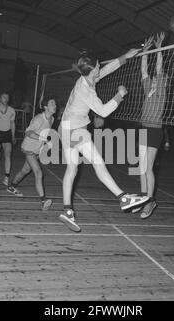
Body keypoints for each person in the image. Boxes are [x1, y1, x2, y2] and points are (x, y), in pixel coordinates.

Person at [58, 48, 150, 233]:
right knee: (98, 163)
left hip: (65, 128)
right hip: (75, 129)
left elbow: (107, 70)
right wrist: (120, 94)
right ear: (93, 70)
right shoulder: (86, 90)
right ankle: (123, 198)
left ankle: (67, 210)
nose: (101, 67)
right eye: (98, 65)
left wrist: (125, 56)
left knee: (72, 169)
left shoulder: (87, 79)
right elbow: (104, 111)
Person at [137, 33, 168, 219]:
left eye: (160, 76)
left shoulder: (162, 89)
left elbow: (158, 67)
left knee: (148, 168)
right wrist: (145, 51)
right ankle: (144, 198)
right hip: (143, 128)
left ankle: (150, 202)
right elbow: (143, 71)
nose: (156, 77)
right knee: (141, 167)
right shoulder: (148, 86)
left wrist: (158, 49)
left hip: (155, 130)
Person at [6, 97, 57, 211]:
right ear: (45, 107)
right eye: (52, 103)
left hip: (37, 149)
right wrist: (43, 139)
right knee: (38, 172)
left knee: (25, 170)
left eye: (55, 103)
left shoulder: (51, 119)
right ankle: (43, 200)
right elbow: (28, 132)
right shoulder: (38, 119)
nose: (55, 105)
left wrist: (46, 144)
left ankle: (11, 186)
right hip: (29, 148)